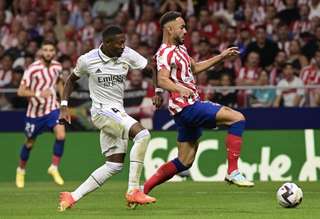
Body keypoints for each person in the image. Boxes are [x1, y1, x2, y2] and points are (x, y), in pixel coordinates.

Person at [143, 11, 254, 196]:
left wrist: (221, 57)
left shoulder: (179, 49)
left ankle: (143, 189)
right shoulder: (166, 52)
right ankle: (232, 172)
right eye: (182, 27)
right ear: (170, 29)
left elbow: (194, 68)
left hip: (183, 112)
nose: (185, 31)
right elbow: (162, 79)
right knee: (237, 119)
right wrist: (178, 89)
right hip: (188, 107)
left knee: (184, 161)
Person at [58, 26, 157, 211]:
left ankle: (71, 196)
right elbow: (71, 79)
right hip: (102, 111)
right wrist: (64, 106)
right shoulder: (87, 60)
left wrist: (158, 91)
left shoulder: (126, 54)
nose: (123, 46)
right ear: (107, 43)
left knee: (114, 165)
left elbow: (152, 67)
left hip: (116, 111)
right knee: (143, 135)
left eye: (124, 42)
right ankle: (133, 190)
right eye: (119, 43)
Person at [15, 41, 66, 188]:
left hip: (52, 108)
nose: (48, 52)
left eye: (51, 50)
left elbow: (59, 84)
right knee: (30, 143)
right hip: (34, 113)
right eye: (46, 50)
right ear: (41, 52)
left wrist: (63, 105)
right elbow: (20, 91)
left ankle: (54, 168)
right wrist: (38, 93)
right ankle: (21, 170)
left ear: (54, 52)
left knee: (61, 135)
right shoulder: (32, 69)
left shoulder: (57, 66)